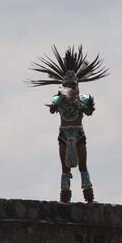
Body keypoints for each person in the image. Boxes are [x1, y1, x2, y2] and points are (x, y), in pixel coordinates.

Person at [28, 45, 110, 203]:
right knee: (65, 168)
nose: (70, 88)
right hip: (64, 134)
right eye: (68, 85)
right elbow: (52, 109)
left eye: (72, 85)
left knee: (83, 166)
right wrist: (60, 100)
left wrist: (80, 103)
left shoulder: (83, 98)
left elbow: (89, 111)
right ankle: (65, 196)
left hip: (78, 134)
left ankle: (89, 196)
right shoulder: (58, 98)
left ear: (76, 86)